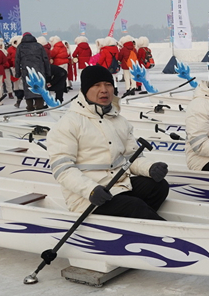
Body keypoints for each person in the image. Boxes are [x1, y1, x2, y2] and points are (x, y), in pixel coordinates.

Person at [47, 65, 169, 220]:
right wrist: (90, 190)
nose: (104, 90)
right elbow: (63, 169)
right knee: (135, 206)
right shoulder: (69, 123)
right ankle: (155, 226)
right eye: (96, 85)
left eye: (108, 85)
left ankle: (136, 223)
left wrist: (150, 168)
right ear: (85, 90)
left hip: (118, 185)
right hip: (88, 197)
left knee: (158, 187)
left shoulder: (119, 120)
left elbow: (132, 158)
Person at [15, 32, 51, 112]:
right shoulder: (39, 46)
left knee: (28, 88)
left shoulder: (20, 47)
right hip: (39, 70)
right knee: (39, 88)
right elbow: (45, 59)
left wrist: (17, 73)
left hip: (27, 71)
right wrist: (48, 72)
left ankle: (30, 107)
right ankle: (39, 107)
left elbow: (17, 61)